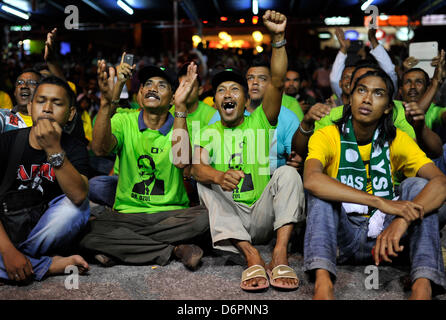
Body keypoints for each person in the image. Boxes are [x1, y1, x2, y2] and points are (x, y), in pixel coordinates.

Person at [303, 69, 446, 300]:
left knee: (418, 186)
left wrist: (401, 220)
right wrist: (380, 202)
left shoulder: (397, 138)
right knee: (320, 191)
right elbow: (310, 178)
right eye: (361, 91)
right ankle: (323, 283)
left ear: (388, 107)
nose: (367, 99)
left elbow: (441, 182)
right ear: (350, 97)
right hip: (343, 236)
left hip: (388, 239)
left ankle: (423, 285)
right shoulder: (327, 134)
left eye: (378, 94)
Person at [191, 10, 305, 292]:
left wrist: (278, 37)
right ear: (215, 102)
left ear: (245, 100)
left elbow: (277, 81)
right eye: (221, 91)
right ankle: (250, 255)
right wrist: (217, 176)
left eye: (235, 90)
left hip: (265, 214)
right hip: (232, 218)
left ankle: (280, 252)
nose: (228, 94)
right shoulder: (209, 130)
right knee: (204, 183)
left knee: (288, 174)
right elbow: (195, 167)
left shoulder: (261, 120)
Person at [79, 60, 210, 270]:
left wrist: (181, 108)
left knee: (206, 219)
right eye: (147, 84)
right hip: (128, 214)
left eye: (161, 85)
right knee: (84, 231)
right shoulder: (124, 119)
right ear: (139, 94)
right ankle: (174, 249)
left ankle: (122, 247)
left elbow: (181, 162)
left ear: (172, 99)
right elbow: (99, 150)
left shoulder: (182, 123)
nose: (152, 88)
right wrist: (105, 103)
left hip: (172, 215)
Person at [0, 76, 91, 283]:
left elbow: (78, 196)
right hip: (5, 230)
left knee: (79, 208)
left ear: (71, 114)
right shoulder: (6, 142)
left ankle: (20, 262)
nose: (48, 109)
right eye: (41, 101)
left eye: (57, 103)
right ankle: (45, 265)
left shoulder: (75, 148)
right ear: (30, 107)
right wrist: (7, 251)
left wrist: (53, 148)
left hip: (41, 232)